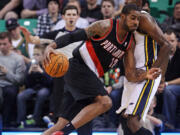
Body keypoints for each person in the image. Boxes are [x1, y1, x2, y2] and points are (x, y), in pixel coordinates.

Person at [42, 4, 161, 135]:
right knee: (105, 102)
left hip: (88, 77)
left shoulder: (129, 43)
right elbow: (73, 36)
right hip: (78, 67)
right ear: (122, 16)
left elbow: (130, 74)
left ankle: (60, 131)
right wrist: (51, 46)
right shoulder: (105, 26)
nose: (136, 23)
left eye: (138, 19)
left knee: (62, 123)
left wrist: (145, 75)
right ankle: (64, 132)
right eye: (133, 18)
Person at [21, 5, 92, 135]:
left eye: (73, 14)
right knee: (62, 114)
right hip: (62, 77)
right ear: (63, 17)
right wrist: (27, 35)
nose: (71, 17)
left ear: (77, 17)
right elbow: (33, 40)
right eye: (68, 14)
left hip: (80, 76)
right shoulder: (56, 34)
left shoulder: (84, 34)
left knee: (83, 113)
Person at [115, 0, 172, 135]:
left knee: (133, 121)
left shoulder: (143, 18)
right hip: (133, 75)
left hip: (146, 74)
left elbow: (166, 45)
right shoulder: (126, 19)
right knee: (124, 118)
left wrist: (157, 73)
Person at [17, 45, 52, 128]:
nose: (35, 57)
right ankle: (21, 121)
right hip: (32, 88)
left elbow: (50, 82)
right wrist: (29, 73)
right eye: (34, 55)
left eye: (38, 55)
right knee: (21, 96)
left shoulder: (48, 64)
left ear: (43, 55)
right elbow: (26, 83)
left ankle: (36, 119)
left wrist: (41, 72)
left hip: (45, 88)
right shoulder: (30, 65)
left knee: (42, 94)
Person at [0, 32, 26, 127]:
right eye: (0, 44)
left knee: (9, 92)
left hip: (10, 85)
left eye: (4, 44)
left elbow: (20, 81)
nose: (2, 47)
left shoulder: (18, 59)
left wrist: (7, 73)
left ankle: (6, 124)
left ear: (10, 44)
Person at [157, 29, 180, 128]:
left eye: (172, 41)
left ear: (177, 42)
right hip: (161, 85)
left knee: (169, 91)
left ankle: (169, 124)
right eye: (166, 41)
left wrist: (166, 84)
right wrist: (157, 85)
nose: (169, 44)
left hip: (175, 86)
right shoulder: (158, 53)